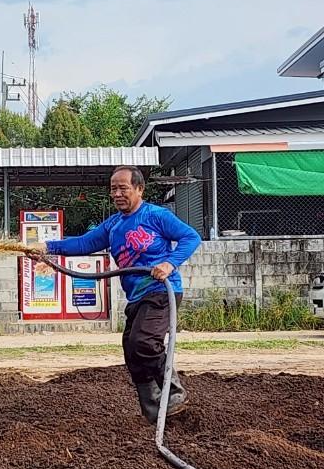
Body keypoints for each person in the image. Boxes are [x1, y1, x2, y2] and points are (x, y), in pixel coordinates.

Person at [36, 166, 201, 423]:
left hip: (161, 291)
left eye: (123, 187)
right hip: (136, 296)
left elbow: (191, 237)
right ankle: (153, 410)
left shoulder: (156, 215)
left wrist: (170, 263)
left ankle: (175, 393)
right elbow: (84, 243)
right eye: (113, 188)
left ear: (139, 189)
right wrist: (47, 246)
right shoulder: (113, 225)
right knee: (132, 350)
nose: (117, 193)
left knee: (144, 343)